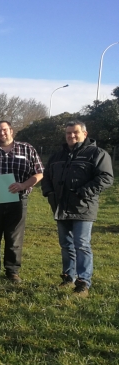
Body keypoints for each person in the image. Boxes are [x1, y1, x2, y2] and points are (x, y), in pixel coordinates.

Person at [41, 121, 113, 297]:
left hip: (83, 207)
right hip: (60, 207)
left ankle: (83, 283)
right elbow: (46, 177)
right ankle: (68, 277)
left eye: (75, 132)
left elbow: (106, 177)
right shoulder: (57, 156)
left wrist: (83, 192)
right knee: (66, 244)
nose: (71, 136)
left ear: (85, 134)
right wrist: (49, 193)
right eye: (68, 133)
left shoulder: (97, 154)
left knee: (81, 244)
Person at [0, 120, 43, 283]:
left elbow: (39, 173)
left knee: (14, 238)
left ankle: (12, 272)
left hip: (17, 202)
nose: (1, 133)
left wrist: (23, 185)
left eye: (4, 130)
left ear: (11, 131)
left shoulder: (27, 149)